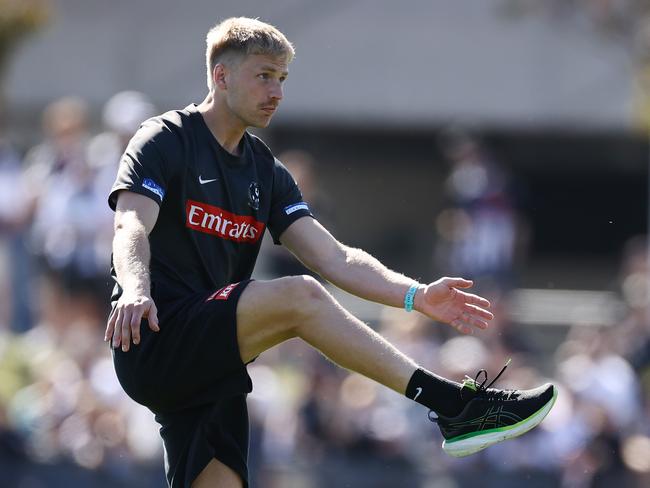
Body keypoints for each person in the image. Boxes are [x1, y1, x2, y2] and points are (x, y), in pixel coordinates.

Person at [104, 17, 557, 488]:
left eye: (282, 79)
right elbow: (131, 223)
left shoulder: (266, 171)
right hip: (154, 332)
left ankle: (458, 409)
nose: (276, 92)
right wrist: (136, 289)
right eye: (264, 76)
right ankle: (454, 406)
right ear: (221, 76)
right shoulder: (165, 139)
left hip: (212, 364)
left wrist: (416, 296)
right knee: (302, 295)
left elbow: (335, 258)